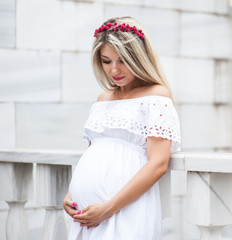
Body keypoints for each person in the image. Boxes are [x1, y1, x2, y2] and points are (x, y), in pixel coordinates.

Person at [62, 16, 181, 240]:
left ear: (139, 58)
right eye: (106, 61)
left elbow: (158, 164)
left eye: (122, 60)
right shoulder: (103, 98)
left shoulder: (156, 96)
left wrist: (108, 208)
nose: (114, 70)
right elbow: (93, 153)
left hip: (125, 210)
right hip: (86, 214)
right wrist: (71, 193)